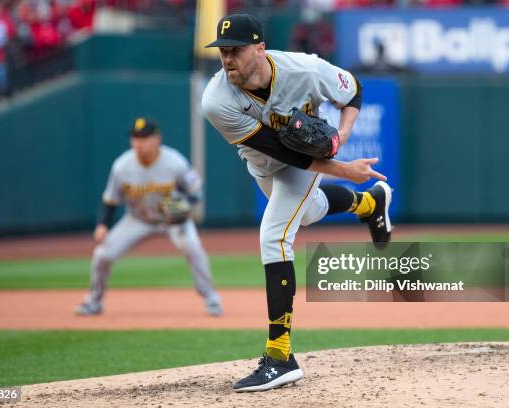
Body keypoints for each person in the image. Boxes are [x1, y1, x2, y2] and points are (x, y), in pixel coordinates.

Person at [202, 13, 393, 392]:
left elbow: (352, 88)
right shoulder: (216, 100)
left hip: (301, 165)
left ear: (259, 48)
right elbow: (278, 150)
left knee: (274, 235)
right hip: (265, 163)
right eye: (223, 51)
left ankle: (280, 356)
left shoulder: (303, 69)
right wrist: (345, 170)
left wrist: (342, 134)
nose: (227, 59)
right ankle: (370, 204)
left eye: (235, 50)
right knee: (308, 213)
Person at [75, 117, 223, 317]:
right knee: (102, 255)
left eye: (144, 138)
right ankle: (94, 302)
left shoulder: (175, 162)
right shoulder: (122, 166)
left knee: (193, 248)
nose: (138, 143)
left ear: (157, 139)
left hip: (172, 220)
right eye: (135, 138)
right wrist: (102, 225)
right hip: (137, 220)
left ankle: (211, 298)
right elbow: (110, 199)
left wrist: (182, 208)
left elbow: (196, 192)